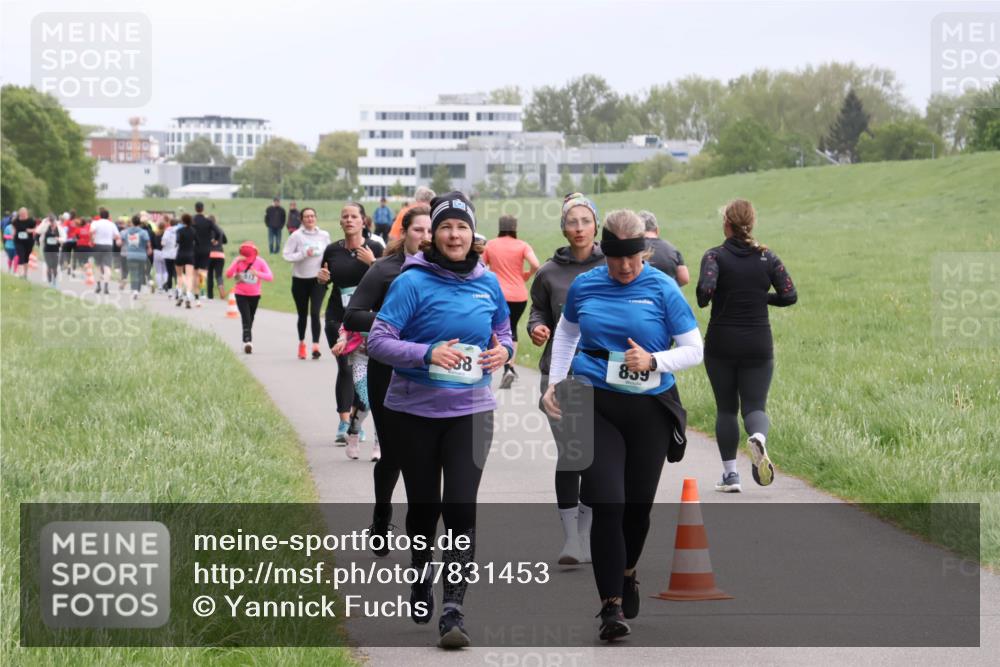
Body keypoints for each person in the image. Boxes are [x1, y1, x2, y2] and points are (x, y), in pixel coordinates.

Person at [541, 209, 704, 642]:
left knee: (637, 508)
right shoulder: (587, 285)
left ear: (645, 253)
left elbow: (694, 349)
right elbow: (566, 334)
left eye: (632, 259)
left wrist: (655, 360)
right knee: (606, 501)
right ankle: (610, 605)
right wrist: (555, 382)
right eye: (616, 260)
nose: (625, 268)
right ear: (605, 254)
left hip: (649, 408)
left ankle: (628, 571)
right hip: (594, 400)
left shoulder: (663, 288)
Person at [368, 191, 513, 649]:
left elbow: (504, 328)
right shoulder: (412, 282)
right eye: (446, 227)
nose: (454, 235)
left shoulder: (487, 281)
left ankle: (454, 608)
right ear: (433, 234)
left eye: (462, 228)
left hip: (471, 412)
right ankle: (420, 575)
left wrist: (503, 351)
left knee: (461, 508)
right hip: (414, 412)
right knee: (425, 508)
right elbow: (378, 339)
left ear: (473, 235)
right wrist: (427, 352)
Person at [344, 204, 432, 555]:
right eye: (417, 231)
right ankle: (382, 513)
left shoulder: (446, 272)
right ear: (404, 233)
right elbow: (353, 315)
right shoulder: (384, 269)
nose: (425, 238)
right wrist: (390, 320)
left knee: (424, 454)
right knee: (393, 453)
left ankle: (421, 533)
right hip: (389, 371)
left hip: (430, 373)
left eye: (430, 231)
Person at [696, 199, 797, 493]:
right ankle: (758, 438)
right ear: (752, 224)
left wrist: (714, 295)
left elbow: (704, 293)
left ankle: (731, 476)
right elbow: (790, 295)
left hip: (721, 344)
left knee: (726, 410)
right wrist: (760, 297)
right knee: (754, 406)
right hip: (758, 344)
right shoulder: (768, 257)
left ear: (726, 224)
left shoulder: (715, 256)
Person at [527, 193, 605, 565]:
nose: (578, 228)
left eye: (585, 221)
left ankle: (587, 535)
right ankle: (571, 538)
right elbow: (536, 312)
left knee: (595, 456)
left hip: (604, 377)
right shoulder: (548, 272)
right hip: (559, 376)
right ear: (563, 227)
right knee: (572, 452)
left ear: (596, 225)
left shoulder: (613, 265)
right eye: (571, 222)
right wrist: (538, 327)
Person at [316, 202, 383, 443]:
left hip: (365, 319)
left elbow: (388, 281)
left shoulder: (375, 247)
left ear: (363, 221)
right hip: (338, 317)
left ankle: (356, 417)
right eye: (344, 216)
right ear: (340, 221)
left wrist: (373, 262)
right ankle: (344, 421)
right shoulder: (332, 250)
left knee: (361, 371)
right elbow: (324, 279)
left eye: (354, 216)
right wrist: (321, 279)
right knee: (344, 366)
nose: (349, 220)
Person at [482, 214, 540, 389]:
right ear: (515, 228)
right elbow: (536, 264)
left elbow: (481, 267)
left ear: (500, 227)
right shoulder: (522, 245)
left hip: (496, 294)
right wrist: (525, 275)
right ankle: (509, 367)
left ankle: (500, 367)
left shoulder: (490, 245)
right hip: (518, 295)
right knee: (511, 328)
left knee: (495, 329)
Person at [282, 207, 331, 359]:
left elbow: (329, 254)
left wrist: (328, 268)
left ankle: (316, 346)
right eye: (306, 217)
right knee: (302, 314)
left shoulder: (324, 235)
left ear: (316, 218)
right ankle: (302, 343)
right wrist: (303, 254)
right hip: (300, 280)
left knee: (315, 313)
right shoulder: (296, 236)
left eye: (312, 216)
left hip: (318, 280)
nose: (310, 219)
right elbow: (286, 255)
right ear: (302, 220)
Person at [226, 241, 273, 353]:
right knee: (246, 317)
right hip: (240, 294)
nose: (247, 259)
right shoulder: (238, 261)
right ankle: (248, 342)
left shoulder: (260, 262)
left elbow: (270, 277)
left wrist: (257, 274)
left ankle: (246, 338)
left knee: (250, 318)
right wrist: (235, 262)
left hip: (255, 295)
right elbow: (228, 274)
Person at [638, 210, 689, 286]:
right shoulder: (672, 250)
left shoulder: (632, 250)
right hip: (665, 295)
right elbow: (684, 279)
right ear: (657, 230)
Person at [192, 202, 221, 306]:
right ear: (203, 209)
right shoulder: (208, 221)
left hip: (195, 249)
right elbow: (218, 232)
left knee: (194, 272)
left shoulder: (192, 220)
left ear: (195, 209)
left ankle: (196, 296)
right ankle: (202, 292)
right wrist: (214, 240)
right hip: (206, 249)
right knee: (203, 272)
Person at [122, 214, 152, 299]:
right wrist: (149, 249)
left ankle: (134, 290)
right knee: (140, 273)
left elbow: (122, 241)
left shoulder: (127, 232)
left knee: (133, 273)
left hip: (130, 255)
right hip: (141, 255)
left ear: (132, 222)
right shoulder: (143, 232)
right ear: (140, 223)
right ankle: (137, 290)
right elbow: (148, 243)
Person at [89, 209, 119, 293]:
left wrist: (91, 240)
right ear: (108, 215)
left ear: (100, 215)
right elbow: (117, 236)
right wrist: (111, 238)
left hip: (98, 244)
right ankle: (106, 286)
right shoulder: (112, 224)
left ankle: (98, 286)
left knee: (98, 266)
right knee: (107, 267)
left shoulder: (96, 223)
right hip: (108, 245)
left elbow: (91, 231)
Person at [174, 214, 198, 308]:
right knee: (189, 276)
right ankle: (188, 295)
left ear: (183, 221)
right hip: (190, 255)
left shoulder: (179, 231)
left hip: (180, 254)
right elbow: (197, 242)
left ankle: (180, 294)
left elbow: (178, 241)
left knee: (179, 276)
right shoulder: (194, 231)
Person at [11, 207, 37, 279]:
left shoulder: (31, 221)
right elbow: (13, 229)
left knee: (26, 258)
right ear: (19, 214)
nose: (23, 216)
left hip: (28, 242)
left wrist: (30, 230)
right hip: (18, 242)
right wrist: (13, 235)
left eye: (24, 214)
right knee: (21, 256)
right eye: (21, 215)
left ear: (27, 214)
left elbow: (36, 229)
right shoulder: (16, 221)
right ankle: (20, 274)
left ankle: (25, 274)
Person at [206, 215, 228, 299]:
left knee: (210, 275)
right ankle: (221, 286)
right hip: (220, 255)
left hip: (209, 255)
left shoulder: (206, 231)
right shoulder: (220, 229)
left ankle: (210, 295)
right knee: (219, 275)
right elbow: (225, 241)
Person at [41, 215, 61, 286]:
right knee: (49, 266)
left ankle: (54, 281)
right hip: (47, 250)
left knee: (55, 267)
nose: (52, 223)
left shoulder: (59, 229)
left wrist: (59, 240)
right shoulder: (46, 228)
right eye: (51, 221)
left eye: (53, 221)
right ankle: (49, 281)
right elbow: (41, 237)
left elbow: (62, 239)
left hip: (55, 250)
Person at [161, 214, 178, 297]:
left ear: (170, 223)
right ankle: (178, 290)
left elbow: (163, 242)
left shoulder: (168, 230)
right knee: (177, 273)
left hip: (168, 254)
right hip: (177, 254)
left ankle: (170, 291)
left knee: (169, 273)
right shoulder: (180, 230)